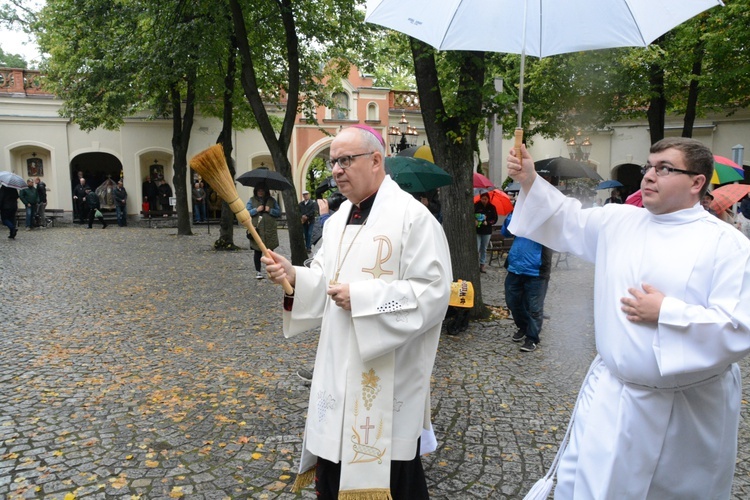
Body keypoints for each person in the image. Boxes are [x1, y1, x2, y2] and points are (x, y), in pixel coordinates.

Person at [507, 137, 750, 499]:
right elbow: (564, 218)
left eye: (664, 168)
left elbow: (739, 327)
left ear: (697, 182)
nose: (649, 176)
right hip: (612, 395)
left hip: (687, 409)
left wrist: (666, 312)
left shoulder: (727, 245)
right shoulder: (620, 221)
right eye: (648, 167)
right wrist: (529, 179)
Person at [261, 125, 452, 499]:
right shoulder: (336, 221)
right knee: (334, 459)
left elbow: (433, 292)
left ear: (376, 160)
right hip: (338, 366)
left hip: (386, 371)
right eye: (333, 161)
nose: (336, 170)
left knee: (390, 472)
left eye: (346, 160)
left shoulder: (413, 219)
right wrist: (294, 276)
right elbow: (324, 281)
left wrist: (364, 299)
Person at [501, 210, 553, 352]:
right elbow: (506, 233)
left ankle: (532, 337)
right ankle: (523, 327)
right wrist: (511, 218)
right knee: (512, 302)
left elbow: (554, 235)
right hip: (515, 267)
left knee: (534, 308)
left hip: (536, 270)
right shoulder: (518, 213)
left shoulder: (547, 215)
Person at [246, 183, 280, 279]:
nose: (260, 192)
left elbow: (278, 212)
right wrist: (256, 210)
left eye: (262, 190)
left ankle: (272, 271)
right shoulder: (252, 200)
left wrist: (270, 210)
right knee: (257, 251)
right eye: (258, 190)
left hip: (270, 230)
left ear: (266, 191)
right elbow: (246, 213)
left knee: (270, 251)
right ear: (256, 191)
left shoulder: (272, 200)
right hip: (257, 230)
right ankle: (258, 271)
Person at [474, 191, 498, 273]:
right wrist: (475, 221)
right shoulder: (476, 206)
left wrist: (488, 222)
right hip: (477, 230)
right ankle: (475, 264)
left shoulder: (492, 207)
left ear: (488, 199)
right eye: (482, 199)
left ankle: (482, 264)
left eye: (485, 199)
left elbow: (495, 219)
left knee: (484, 248)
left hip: (487, 231)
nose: (483, 200)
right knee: (476, 248)